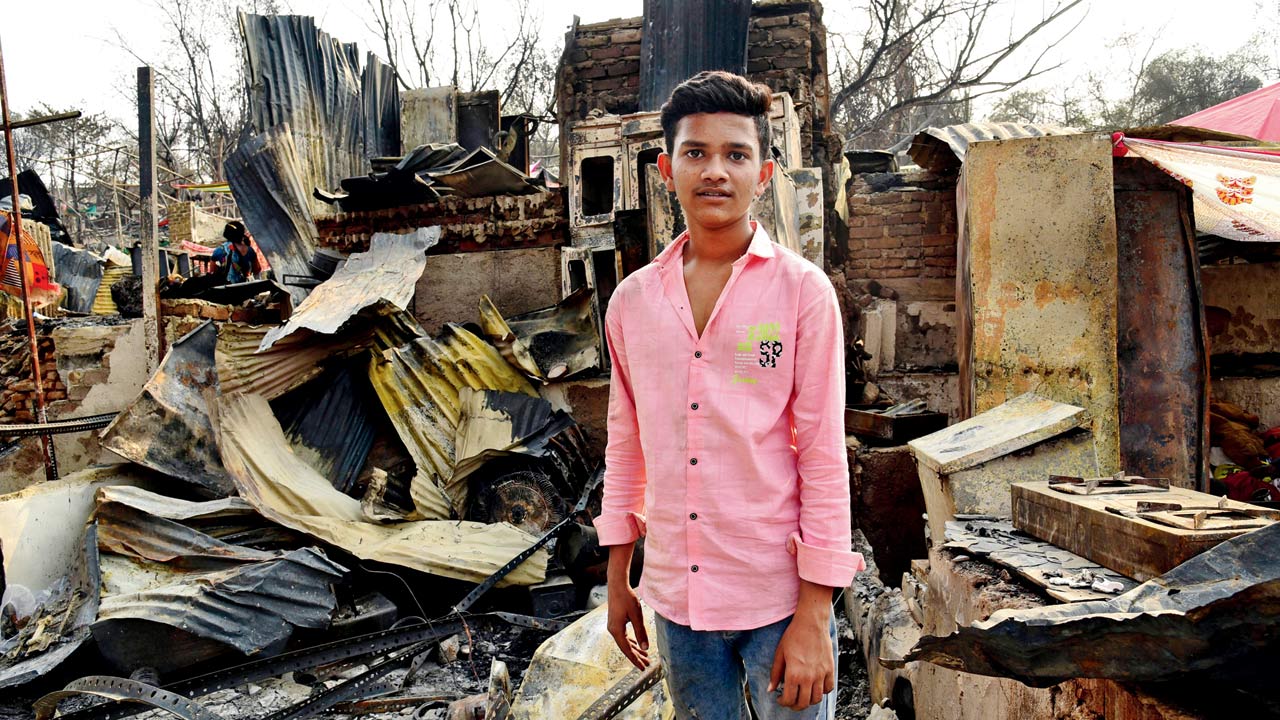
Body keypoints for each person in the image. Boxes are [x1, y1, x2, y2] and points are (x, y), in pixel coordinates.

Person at [595, 71, 865, 720]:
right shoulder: (632, 304)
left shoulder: (803, 294)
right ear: (666, 168)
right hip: (677, 604)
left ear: (764, 173)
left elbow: (823, 455)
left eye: (736, 154)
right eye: (697, 153)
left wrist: (815, 612)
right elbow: (626, 447)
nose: (715, 171)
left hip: (778, 599)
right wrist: (617, 580)